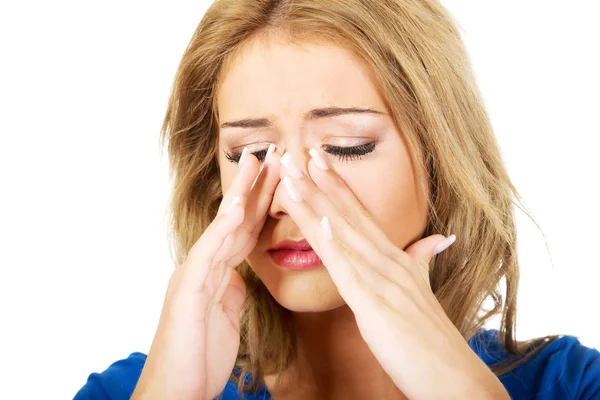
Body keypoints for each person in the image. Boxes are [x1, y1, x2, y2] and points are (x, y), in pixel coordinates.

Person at [74, 0, 600, 399]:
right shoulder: (130, 391)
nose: (290, 197)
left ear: (442, 161)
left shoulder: (571, 385)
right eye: (252, 152)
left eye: (346, 148)